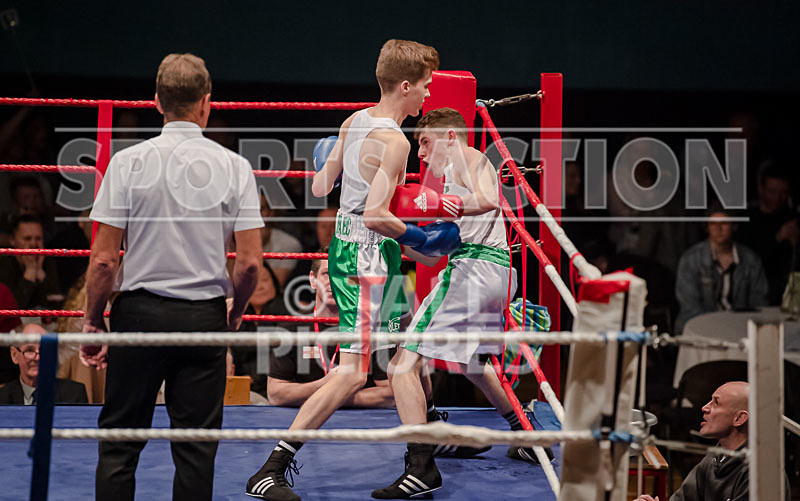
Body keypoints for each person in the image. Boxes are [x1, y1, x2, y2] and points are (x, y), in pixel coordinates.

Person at [246, 39, 461, 501]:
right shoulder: (397, 142)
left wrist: (332, 158)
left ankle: (426, 449)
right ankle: (272, 467)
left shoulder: (354, 120)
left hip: (355, 250)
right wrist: (424, 241)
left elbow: (323, 184)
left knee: (404, 354)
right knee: (351, 373)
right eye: (424, 86)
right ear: (405, 85)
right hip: (366, 256)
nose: (429, 95)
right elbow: (376, 216)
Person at [78, 53, 263, 501]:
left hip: (138, 316)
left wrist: (92, 319)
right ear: (206, 103)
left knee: (119, 447)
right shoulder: (234, 167)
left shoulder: (127, 163)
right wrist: (234, 313)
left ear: (157, 102)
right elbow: (250, 263)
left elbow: (104, 260)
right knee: (196, 451)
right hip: (203, 319)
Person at [372, 107, 553, 499]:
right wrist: (400, 237)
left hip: (473, 272)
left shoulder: (468, 157)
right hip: (495, 273)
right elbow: (435, 255)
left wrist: (447, 206)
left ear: (450, 136)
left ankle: (420, 465)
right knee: (473, 362)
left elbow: (490, 200)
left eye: (424, 141)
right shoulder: (452, 179)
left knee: (402, 366)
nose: (420, 153)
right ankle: (525, 432)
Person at [267, 249, 395, 408]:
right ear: (312, 280)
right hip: (308, 418)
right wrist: (324, 384)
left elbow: (391, 394)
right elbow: (275, 394)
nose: (334, 281)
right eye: (327, 274)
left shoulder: (374, 326)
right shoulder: (292, 326)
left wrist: (334, 397)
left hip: (360, 421)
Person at [634, 381, 789, 501]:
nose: (704, 408)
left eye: (716, 403)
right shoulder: (714, 459)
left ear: (739, 418)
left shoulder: (761, 473)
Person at [675, 207, 769, 334]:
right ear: (707, 227)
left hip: (739, 328)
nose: (718, 229)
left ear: (734, 226)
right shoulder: (691, 259)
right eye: (713, 223)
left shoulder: (750, 260)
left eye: (724, 223)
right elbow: (690, 306)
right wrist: (717, 326)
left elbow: (759, 302)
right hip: (701, 327)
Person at [738, 163, 797, 304]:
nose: (777, 197)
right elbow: (745, 259)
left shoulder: (791, 217)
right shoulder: (747, 217)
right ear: (761, 189)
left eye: (783, 192)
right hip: (754, 291)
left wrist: (795, 243)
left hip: (787, 292)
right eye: (772, 191)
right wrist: (778, 238)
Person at [0, 323, 87, 405]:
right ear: (14, 355)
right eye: (29, 350)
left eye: (44, 349)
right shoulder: (2, 397)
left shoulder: (74, 394)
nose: (38, 358)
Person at [0, 214, 62, 310]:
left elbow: (56, 307)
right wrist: (30, 272)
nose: (33, 244)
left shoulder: (48, 261)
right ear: (12, 240)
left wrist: (40, 274)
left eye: (38, 239)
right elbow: (11, 311)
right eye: (27, 239)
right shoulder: (4, 263)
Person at [260, 195, 304, 287]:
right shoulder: (231, 242)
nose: (256, 215)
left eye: (260, 209)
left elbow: (271, 287)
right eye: (250, 211)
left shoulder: (289, 244)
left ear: (270, 213)